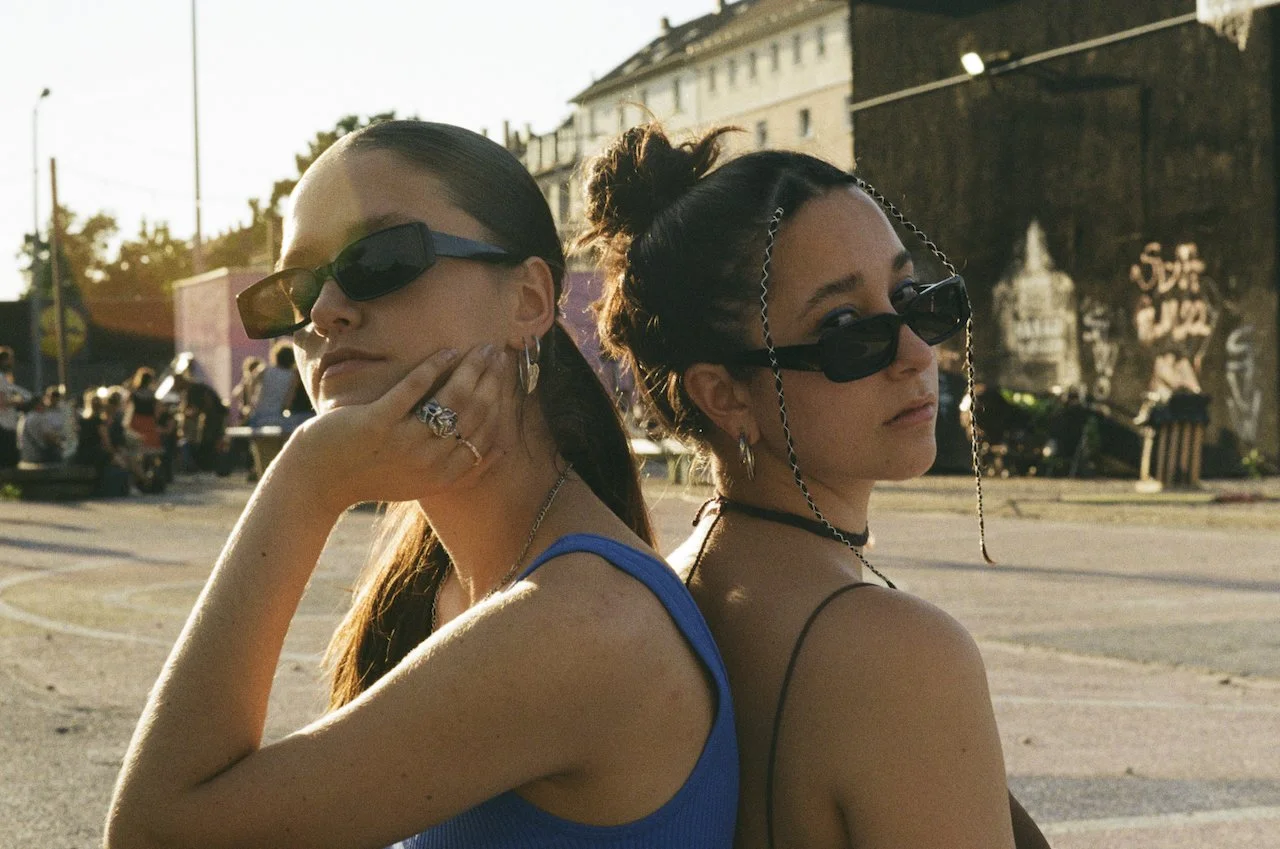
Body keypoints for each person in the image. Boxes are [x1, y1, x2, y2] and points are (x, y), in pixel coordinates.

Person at [105, 119, 737, 849]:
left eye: (379, 257)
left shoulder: (583, 623)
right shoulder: (439, 581)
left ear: (529, 301)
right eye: (296, 286)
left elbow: (155, 833)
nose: (322, 311)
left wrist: (305, 480)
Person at [580, 124, 1049, 849]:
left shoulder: (665, 593)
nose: (919, 352)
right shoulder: (898, 657)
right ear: (723, 393)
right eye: (843, 327)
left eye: (912, 296)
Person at [18, 385, 69, 465]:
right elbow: (48, 437)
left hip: (26, 456)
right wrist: (63, 445)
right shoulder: (39, 418)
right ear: (38, 405)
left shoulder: (24, 418)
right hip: (38, 456)